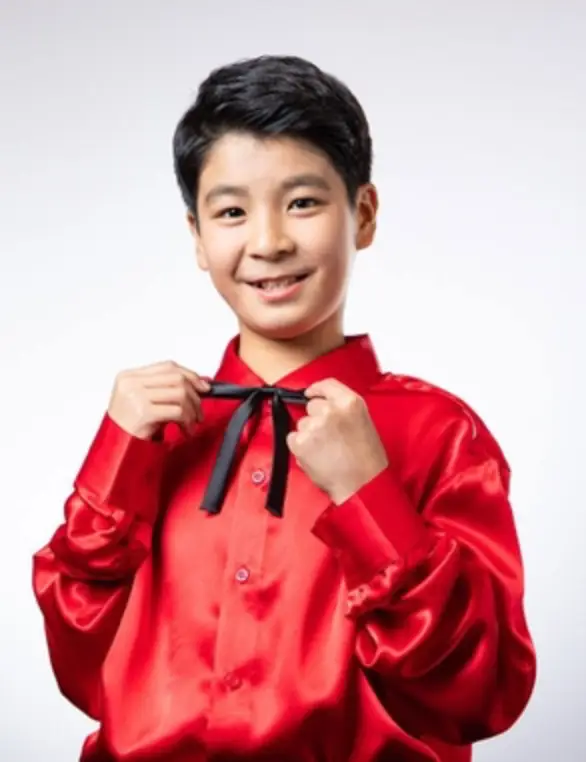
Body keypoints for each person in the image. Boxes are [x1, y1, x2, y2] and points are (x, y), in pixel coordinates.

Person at [32, 55, 536, 762]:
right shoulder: (155, 432)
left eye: (302, 202)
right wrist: (115, 462)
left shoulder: (440, 434)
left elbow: (481, 693)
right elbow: (83, 668)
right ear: (197, 237)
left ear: (363, 215)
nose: (268, 242)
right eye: (231, 212)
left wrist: (369, 497)